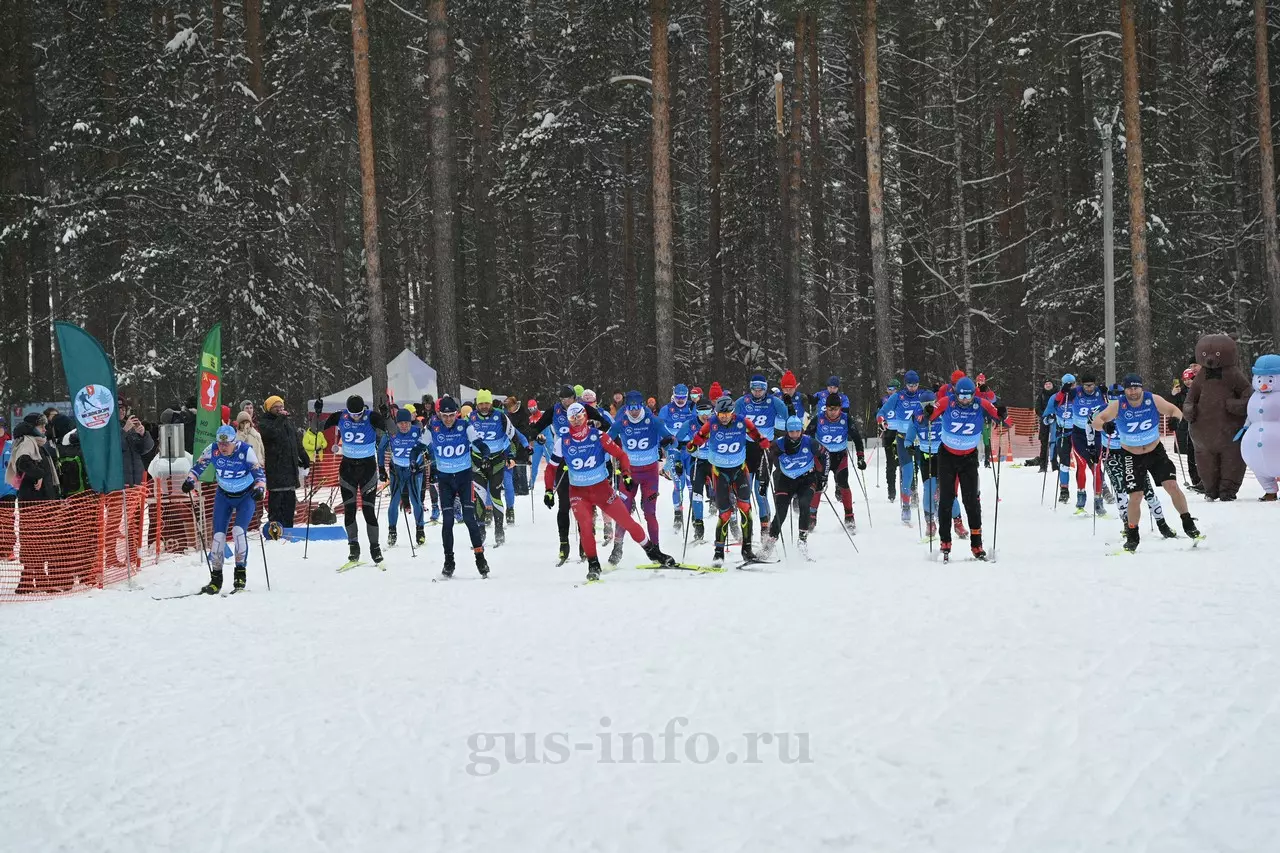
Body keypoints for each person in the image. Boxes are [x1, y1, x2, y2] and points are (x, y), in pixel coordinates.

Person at [544, 402, 675, 581]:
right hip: (579, 493)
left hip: (602, 490)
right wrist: (548, 490)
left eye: (579, 417)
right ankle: (593, 564)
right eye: (572, 419)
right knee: (585, 526)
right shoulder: (563, 442)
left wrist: (626, 473)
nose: (576, 421)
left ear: (585, 417)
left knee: (626, 521)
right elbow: (551, 468)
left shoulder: (598, 436)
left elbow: (621, 455)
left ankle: (652, 551)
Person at [1092, 374, 1201, 552]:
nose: (1133, 392)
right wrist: (1104, 426)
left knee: (1172, 485)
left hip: (1155, 451)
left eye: (1136, 388)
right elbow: (1097, 421)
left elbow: (1175, 411)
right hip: (1131, 455)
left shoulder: (1152, 400)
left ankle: (1188, 523)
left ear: (1141, 388)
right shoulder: (1119, 404)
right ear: (1125, 390)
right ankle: (1132, 536)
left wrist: (1175, 419)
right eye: (1129, 389)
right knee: (1136, 496)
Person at [925, 377, 1006, 561]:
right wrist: (928, 412)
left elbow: (1003, 420)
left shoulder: (981, 404)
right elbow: (925, 419)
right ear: (956, 394)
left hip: (968, 458)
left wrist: (1002, 414)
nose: (964, 400)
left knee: (972, 502)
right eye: (961, 396)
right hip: (947, 457)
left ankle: (977, 544)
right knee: (946, 499)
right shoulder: (947, 402)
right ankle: (945, 541)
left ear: (973, 394)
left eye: (968, 396)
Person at [686, 396, 773, 566]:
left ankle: (747, 550)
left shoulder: (742, 422)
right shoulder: (711, 424)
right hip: (720, 473)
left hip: (739, 470)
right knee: (725, 513)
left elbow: (756, 434)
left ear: (732, 412)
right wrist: (692, 445)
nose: (724, 417)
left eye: (727, 414)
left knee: (745, 508)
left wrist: (763, 442)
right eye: (721, 414)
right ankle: (718, 553)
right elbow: (699, 437)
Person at [530, 385, 611, 564]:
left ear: (575, 398)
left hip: (583, 459)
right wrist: (537, 436)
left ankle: (585, 543)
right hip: (562, 458)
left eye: (568, 399)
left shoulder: (585, 409)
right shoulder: (554, 411)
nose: (565, 402)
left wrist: (594, 425)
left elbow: (606, 425)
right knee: (564, 504)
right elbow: (537, 427)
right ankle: (564, 543)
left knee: (585, 505)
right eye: (562, 399)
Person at [182, 424, 266, 593]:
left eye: (227, 444)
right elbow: (198, 467)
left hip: (245, 496)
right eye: (220, 444)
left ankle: (240, 577)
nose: (223, 447)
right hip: (224, 496)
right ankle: (216, 580)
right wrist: (190, 480)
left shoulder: (245, 451)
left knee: (238, 532)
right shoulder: (212, 450)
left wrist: (259, 489)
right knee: (218, 536)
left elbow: (259, 474)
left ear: (234, 442)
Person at [415, 396, 490, 577]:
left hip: (464, 478)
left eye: (451, 415)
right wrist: (413, 461)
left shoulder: (465, 426)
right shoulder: (433, 427)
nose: (448, 419)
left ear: (457, 414)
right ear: (439, 414)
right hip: (445, 480)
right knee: (447, 521)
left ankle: (480, 558)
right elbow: (418, 448)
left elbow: (481, 445)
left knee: (469, 518)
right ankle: (449, 561)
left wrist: (485, 456)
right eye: (444, 415)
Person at [1098, 383, 1179, 540]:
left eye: (1118, 396)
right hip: (1112, 454)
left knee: (1146, 490)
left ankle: (1162, 525)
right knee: (1120, 489)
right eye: (1112, 397)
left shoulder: (1132, 407)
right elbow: (1091, 425)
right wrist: (1092, 448)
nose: (1115, 400)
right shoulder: (1102, 410)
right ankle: (1127, 525)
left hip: (1132, 452)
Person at [320, 394, 390, 568]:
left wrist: (386, 416)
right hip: (348, 470)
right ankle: (353, 548)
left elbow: (393, 430)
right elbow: (316, 428)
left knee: (368, 510)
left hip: (368, 469)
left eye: (359, 414)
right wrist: (318, 413)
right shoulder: (340, 416)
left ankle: (375, 549)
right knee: (349, 510)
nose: (356, 417)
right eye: (353, 414)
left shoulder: (371, 417)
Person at [607, 391, 676, 564]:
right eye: (630, 408)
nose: (634, 411)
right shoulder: (621, 421)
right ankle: (617, 548)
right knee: (623, 511)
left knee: (650, 513)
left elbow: (672, 439)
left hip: (649, 473)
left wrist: (668, 442)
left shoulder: (652, 420)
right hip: (628, 473)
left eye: (637, 407)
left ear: (642, 405)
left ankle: (656, 549)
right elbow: (605, 441)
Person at [759, 417, 828, 560]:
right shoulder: (778, 444)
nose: (795, 434)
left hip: (806, 479)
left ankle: (802, 540)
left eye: (797, 431)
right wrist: (763, 482)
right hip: (785, 479)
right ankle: (771, 541)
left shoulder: (810, 442)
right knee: (781, 510)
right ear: (787, 431)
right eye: (791, 432)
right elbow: (766, 461)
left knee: (804, 504)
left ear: (801, 430)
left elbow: (825, 455)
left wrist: (823, 477)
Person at [468, 389, 521, 547]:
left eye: (487, 403)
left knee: (495, 494)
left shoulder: (500, 416)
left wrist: (511, 455)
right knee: (479, 497)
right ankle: (481, 531)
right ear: (477, 404)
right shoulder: (470, 417)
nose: (484, 406)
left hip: (496, 461)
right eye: (481, 403)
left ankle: (499, 530)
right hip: (477, 462)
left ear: (491, 403)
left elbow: (514, 437)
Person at [804, 395, 866, 532]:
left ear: (840, 408)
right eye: (830, 409)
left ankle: (849, 516)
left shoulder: (846, 419)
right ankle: (812, 517)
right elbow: (806, 436)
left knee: (843, 484)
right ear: (825, 408)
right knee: (818, 486)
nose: (833, 412)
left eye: (836, 409)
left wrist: (860, 457)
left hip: (839, 456)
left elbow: (856, 438)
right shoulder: (819, 418)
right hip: (822, 456)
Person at [735, 373, 789, 525]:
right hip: (747, 449)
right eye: (755, 389)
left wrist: (788, 406)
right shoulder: (742, 402)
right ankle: (746, 525)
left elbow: (788, 418)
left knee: (760, 490)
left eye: (761, 389)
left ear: (765, 388)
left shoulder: (774, 402)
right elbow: (729, 420)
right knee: (744, 490)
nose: (757, 392)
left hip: (765, 449)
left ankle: (765, 524)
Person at [877, 370, 926, 523]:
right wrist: (881, 420)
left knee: (927, 472)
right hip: (903, 438)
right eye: (910, 385)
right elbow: (882, 411)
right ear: (906, 384)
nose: (913, 388)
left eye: (915, 385)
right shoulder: (898, 396)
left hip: (920, 440)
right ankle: (906, 506)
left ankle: (932, 503)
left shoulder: (922, 395)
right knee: (908, 473)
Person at [258, 395, 311, 528]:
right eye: (276, 407)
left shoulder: (287, 423)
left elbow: (296, 441)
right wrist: (280, 419)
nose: (279, 409)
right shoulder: (265, 422)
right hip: (276, 470)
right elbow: (271, 434)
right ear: (269, 408)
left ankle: (288, 530)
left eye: (281, 406)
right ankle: (275, 531)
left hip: (290, 470)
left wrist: (303, 456)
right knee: (276, 506)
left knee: (289, 506)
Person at [378, 408, 426, 547]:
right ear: (397, 423)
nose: (404, 426)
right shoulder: (391, 433)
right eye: (401, 423)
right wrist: (381, 468)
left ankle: (420, 530)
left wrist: (433, 469)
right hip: (397, 471)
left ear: (411, 422)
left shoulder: (418, 432)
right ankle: (392, 531)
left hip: (414, 471)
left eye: (407, 423)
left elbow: (430, 447)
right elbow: (381, 449)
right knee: (394, 501)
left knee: (416, 500)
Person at [659, 383, 697, 531]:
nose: (680, 400)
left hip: (690, 449)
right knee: (678, 484)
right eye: (677, 397)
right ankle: (678, 514)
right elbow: (659, 427)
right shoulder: (666, 409)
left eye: (683, 397)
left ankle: (695, 514)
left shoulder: (692, 407)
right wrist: (664, 443)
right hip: (674, 449)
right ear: (673, 396)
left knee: (692, 484)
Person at [1041, 373, 1077, 503]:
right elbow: (1045, 418)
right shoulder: (1055, 397)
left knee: (1087, 461)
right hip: (1063, 432)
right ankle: (1064, 489)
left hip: (1079, 432)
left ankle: (1100, 489)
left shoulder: (1080, 395)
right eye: (1068, 385)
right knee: (1064, 461)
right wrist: (1049, 418)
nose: (1071, 387)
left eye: (1073, 384)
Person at [121, 413, 156, 487]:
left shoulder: (131, 426)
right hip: (120, 478)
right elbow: (114, 447)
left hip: (138, 477)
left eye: (124, 409)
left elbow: (146, 448)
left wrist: (143, 434)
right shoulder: (109, 427)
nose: (122, 411)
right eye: (119, 408)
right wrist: (124, 431)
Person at [1033, 378, 1056, 470]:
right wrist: (1045, 416)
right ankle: (1043, 465)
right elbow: (1037, 408)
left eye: (1050, 384)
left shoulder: (1057, 394)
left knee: (1055, 443)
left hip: (1055, 421)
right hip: (1044, 421)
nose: (1048, 385)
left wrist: (1054, 415)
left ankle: (1055, 464)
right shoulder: (1041, 395)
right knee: (1044, 443)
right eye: (1046, 384)